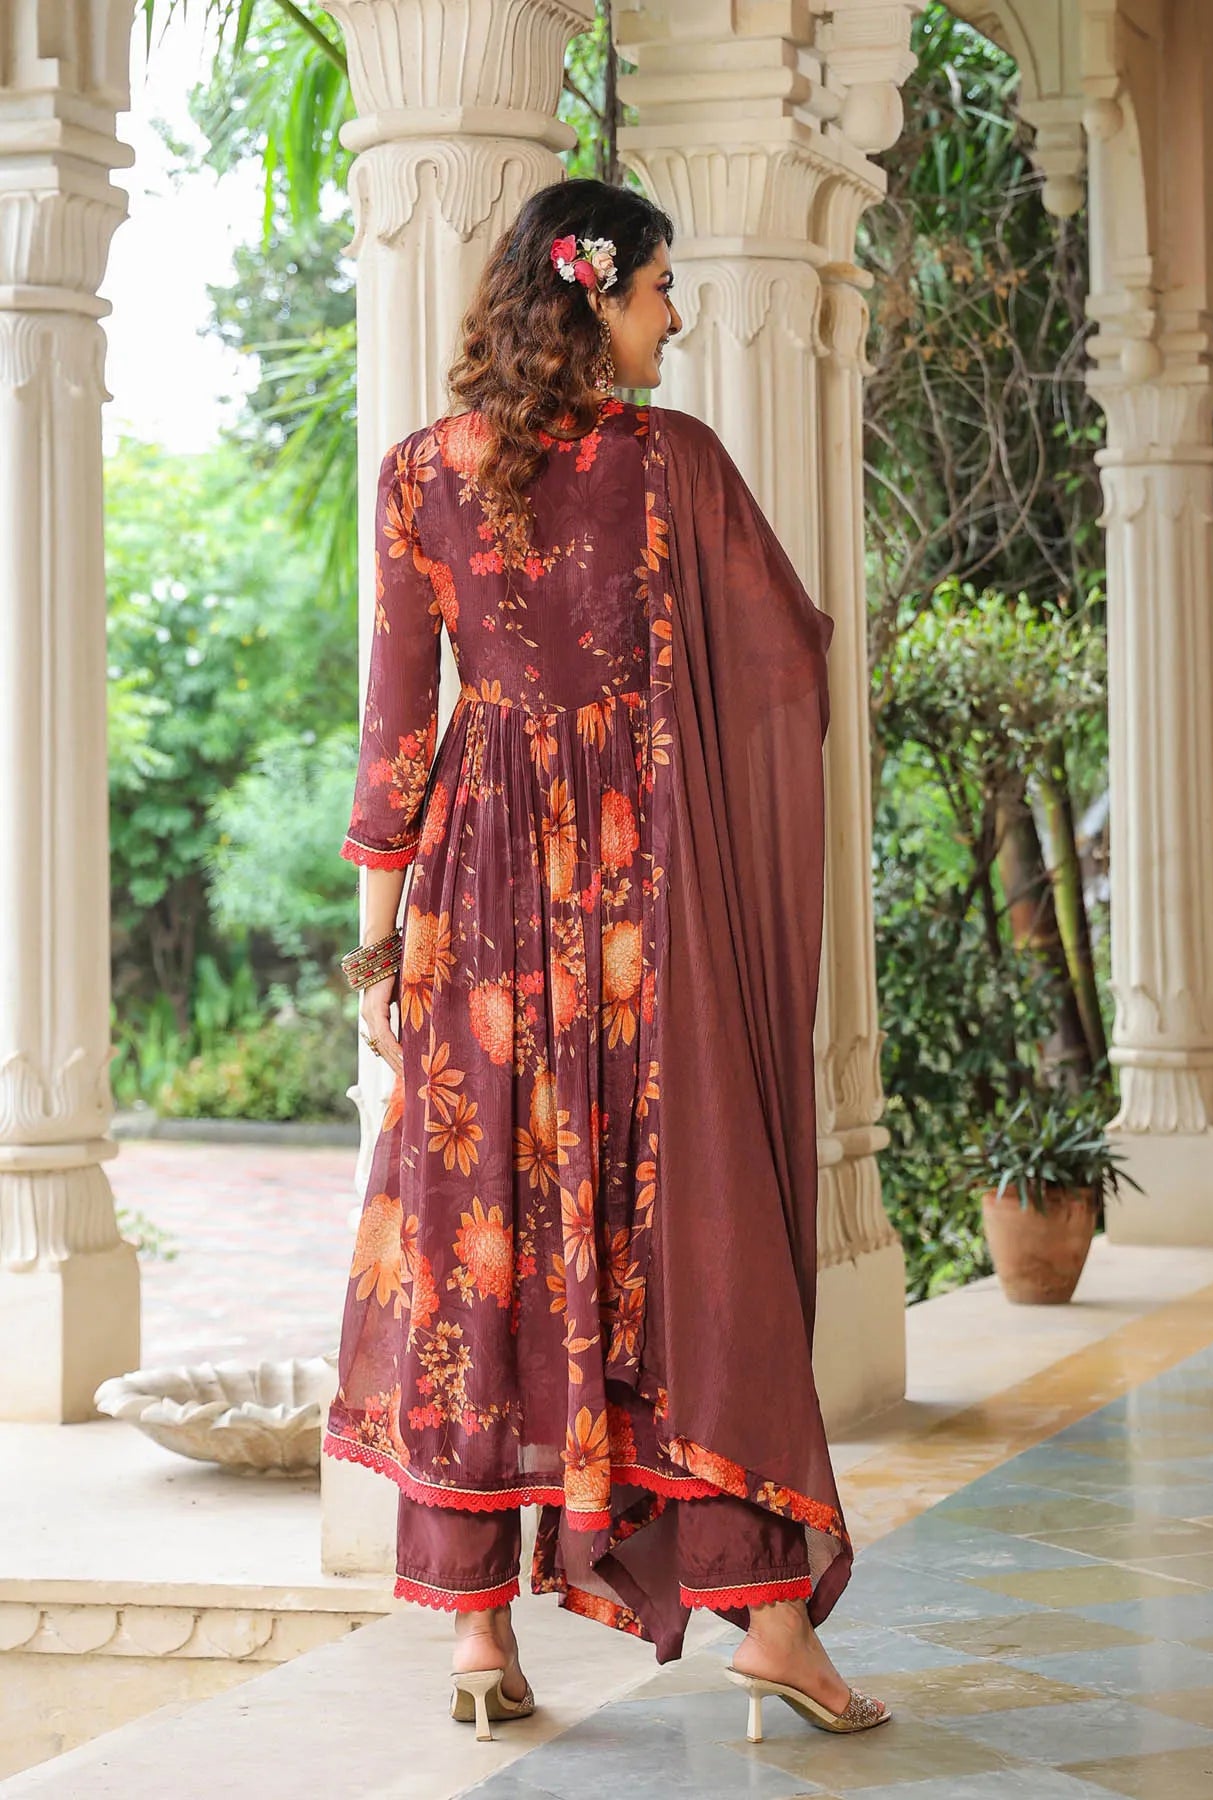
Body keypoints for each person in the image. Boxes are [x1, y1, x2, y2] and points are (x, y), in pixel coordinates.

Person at [326, 177, 889, 1747]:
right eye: (657, 288)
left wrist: (380, 963)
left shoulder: (417, 477)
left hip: (477, 914)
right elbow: (783, 655)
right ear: (594, 295)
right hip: (647, 908)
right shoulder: (670, 471)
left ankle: (479, 1648)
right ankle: (767, 1622)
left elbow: (397, 735)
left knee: (480, 1241)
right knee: (690, 1230)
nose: (676, 315)